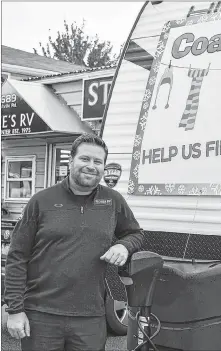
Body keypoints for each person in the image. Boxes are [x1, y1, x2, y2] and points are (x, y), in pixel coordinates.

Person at [4, 133, 145, 351]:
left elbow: (135, 233)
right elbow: (17, 257)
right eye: (85, 159)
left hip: (90, 317)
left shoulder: (113, 201)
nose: (91, 166)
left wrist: (123, 245)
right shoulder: (41, 201)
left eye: (98, 162)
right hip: (41, 316)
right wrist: (14, 310)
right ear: (71, 161)